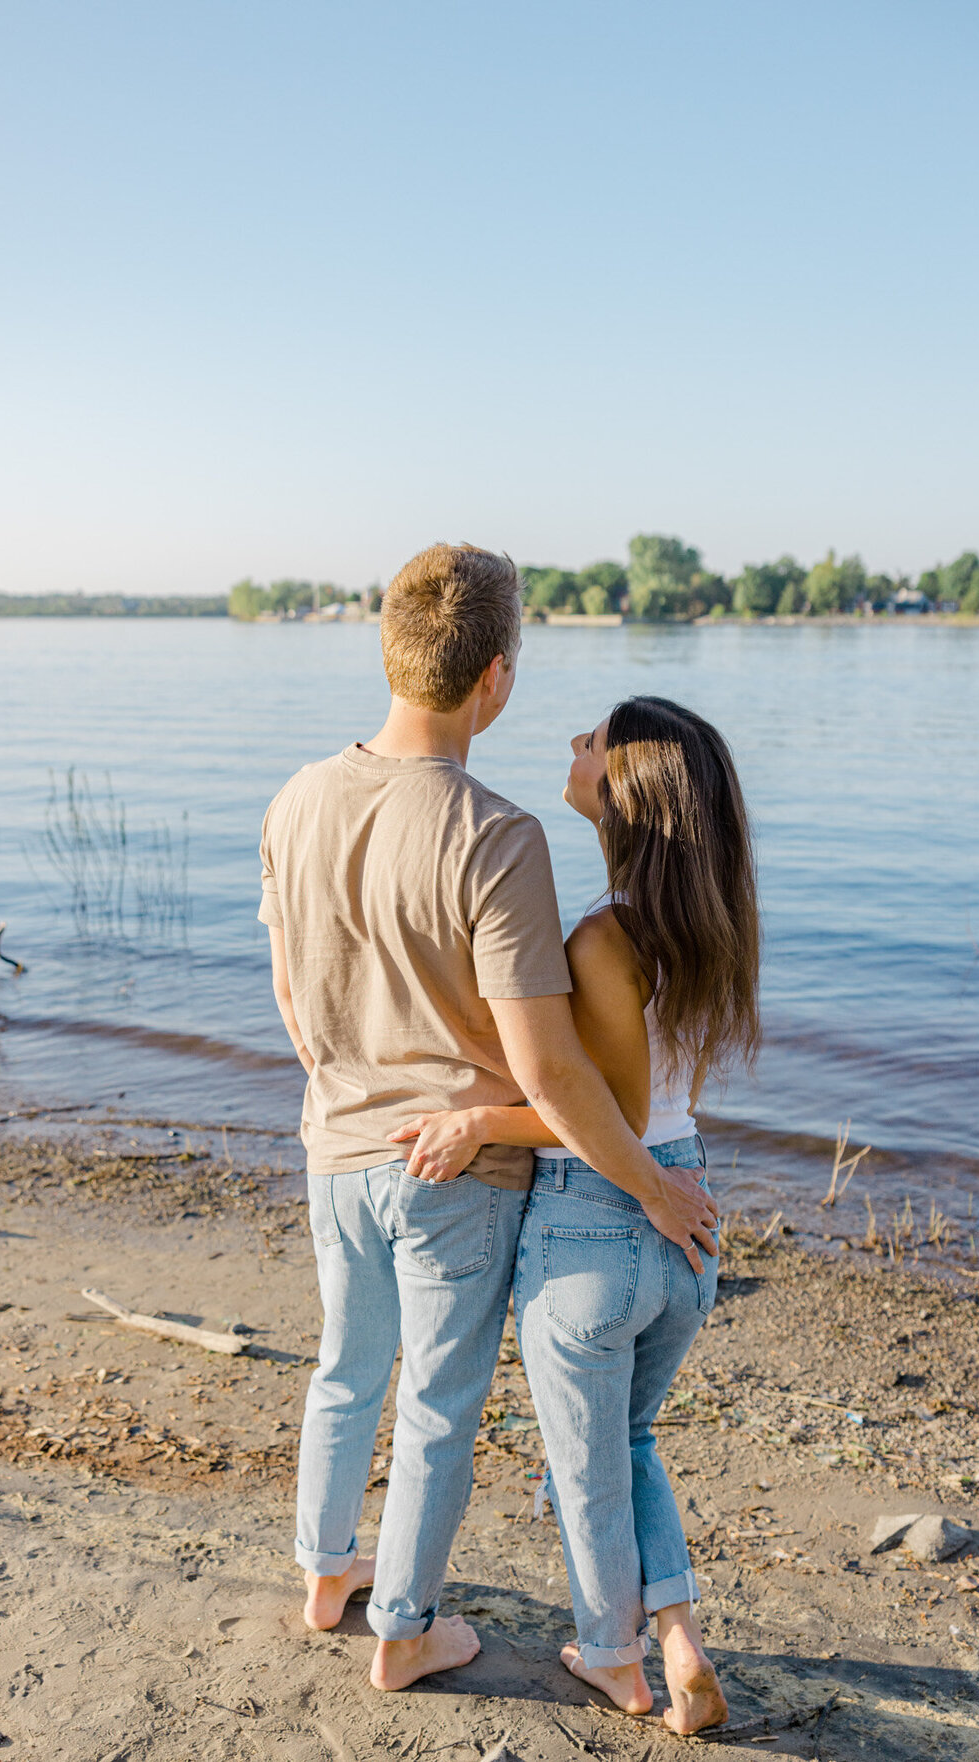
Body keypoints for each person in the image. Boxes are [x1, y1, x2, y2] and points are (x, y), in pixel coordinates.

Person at [259, 548, 719, 1693]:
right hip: (453, 1174)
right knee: (438, 1404)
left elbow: (287, 990)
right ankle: (403, 1627)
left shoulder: (297, 797)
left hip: (334, 1143)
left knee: (342, 1370)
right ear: (496, 680)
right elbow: (553, 1072)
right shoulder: (499, 834)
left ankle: (326, 1574)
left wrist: (339, 1083)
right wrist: (655, 1186)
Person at [389, 695, 760, 1732]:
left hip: (609, 1213)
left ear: (627, 789)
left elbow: (608, 1117)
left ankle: (615, 1657)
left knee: (590, 1466)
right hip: (680, 1213)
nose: (572, 746)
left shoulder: (606, 935)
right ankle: (679, 1642)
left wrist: (476, 1122)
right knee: (626, 1445)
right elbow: (644, 1112)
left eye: (592, 741)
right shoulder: (706, 922)